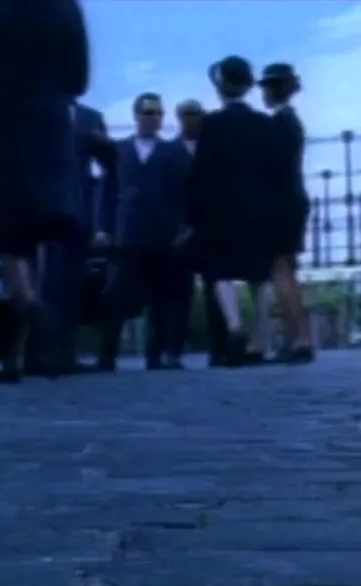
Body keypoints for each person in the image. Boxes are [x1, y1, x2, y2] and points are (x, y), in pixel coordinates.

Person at [0, 0, 90, 384]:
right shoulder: (64, 6)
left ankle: (28, 305)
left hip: (3, 118)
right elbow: (79, 77)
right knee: (42, 228)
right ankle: (26, 349)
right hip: (50, 120)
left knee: (9, 234)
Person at [186, 55, 278, 367]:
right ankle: (260, 339)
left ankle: (235, 325)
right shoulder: (264, 124)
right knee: (259, 276)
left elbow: (201, 172)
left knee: (220, 273)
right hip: (260, 208)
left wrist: (194, 214)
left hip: (221, 210)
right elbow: (275, 170)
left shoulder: (212, 124)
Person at [99, 93, 190, 371]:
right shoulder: (118, 150)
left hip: (163, 234)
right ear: (136, 116)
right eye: (148, 113)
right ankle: (107, 355)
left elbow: (185, 192)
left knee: (162, 297)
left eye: (159, 113)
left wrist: (184, 226)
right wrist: (103, 227)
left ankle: (156, 355)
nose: (154, 118)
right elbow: (106, 191)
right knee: (115, 295)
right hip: (127, 233)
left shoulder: (174, 152)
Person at [33, 101, 116, 376]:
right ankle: (41, 354)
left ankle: (66, 354)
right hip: (44, 213)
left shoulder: (91, 117)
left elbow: (109, 165)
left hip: (79, 215)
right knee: (47, 286)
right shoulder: (36, 112)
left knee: (71, 286)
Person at [260, 62, 316, 364]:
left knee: (280, 271)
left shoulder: (279, 124)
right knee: (288, 271)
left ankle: (299, 338)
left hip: (280, 203)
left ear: (273, 89)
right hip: (293, 200)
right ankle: (300, 336)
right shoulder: (291, 121)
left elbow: (273, 170)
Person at [170, 99, 208, 365]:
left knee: (217, 289)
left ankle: (221, 349)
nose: (192, 119)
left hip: (211, 229)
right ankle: (174, 349)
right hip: (181, 231)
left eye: (196, 114)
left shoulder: (215, 148)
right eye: (186, 115)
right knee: (178, 293)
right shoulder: (169, 151)